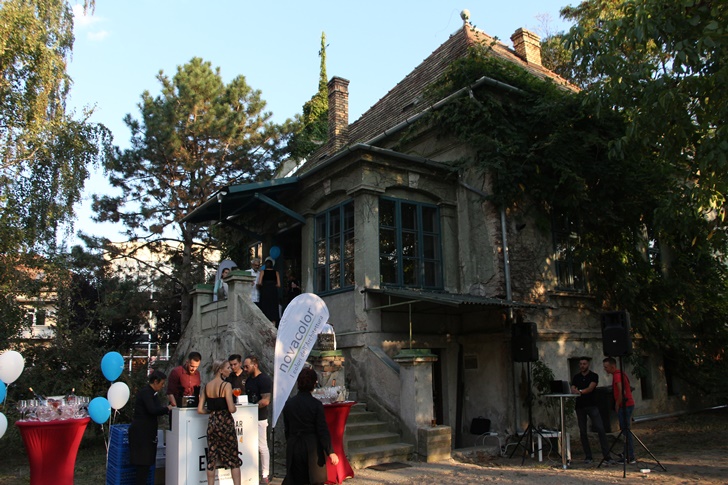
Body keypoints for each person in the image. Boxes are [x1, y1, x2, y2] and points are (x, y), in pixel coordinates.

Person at [282, 367, 339, 485]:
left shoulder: (289, 404)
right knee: (313, 479)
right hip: (312, 446)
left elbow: (287, 428)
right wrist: (330, 451)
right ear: (313, 384)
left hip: (294, 445)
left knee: (296, 480)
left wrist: (290, 442)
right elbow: (322, 430)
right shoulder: (316, 405)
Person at [197, 359, 242, 485]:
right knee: (233, 458)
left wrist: (211, 412)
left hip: (212, 422)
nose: (230, 370)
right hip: (225, 423)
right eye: (228, 368)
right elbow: (231, 409)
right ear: (220, 370)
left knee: (211, 458)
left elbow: (200, 410)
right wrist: (234, 407)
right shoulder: (226, 385)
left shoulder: (207, 386)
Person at [129, 370, 174, 485]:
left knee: (146, 463)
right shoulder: (146, 393)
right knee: (142, 463)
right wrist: (167, 409)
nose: (162, 386)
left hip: (148, 433)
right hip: (141, 433)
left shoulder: (152, 393)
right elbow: (152, 410)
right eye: (161, 383)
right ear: (155, 381)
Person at [571, 357, 612, 464]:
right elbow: (573, 387)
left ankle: (607, 456)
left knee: (600, 429)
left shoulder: (593, 376)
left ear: (588, 364)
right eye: (580, 364)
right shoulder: (576, 377)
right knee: (583, 431)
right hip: (580, 406)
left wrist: (580, 392)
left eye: (584, 364)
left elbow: (590, 388)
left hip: (592, 405)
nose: (582, 366)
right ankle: (588, 456)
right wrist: (574, 390)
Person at [243, 355, 273, 485]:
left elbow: (266, 400)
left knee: (262, 445)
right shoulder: (249, 380)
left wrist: (253, 407)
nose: (245, 369)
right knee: (249, 445)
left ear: (255, 365)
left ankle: (265, 474)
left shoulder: (264, 379)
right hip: (248, 417)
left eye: (247, 366)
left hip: (260, 417)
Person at [603, 356, 636, 464]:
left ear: (612, 366)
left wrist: (617, 404)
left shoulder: (617, 376)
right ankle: (626, 452)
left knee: (625, 430)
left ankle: (630, 456)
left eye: (606, 367)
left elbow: (622, 392)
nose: (605, 369)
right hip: (627, 404)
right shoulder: (620, 374)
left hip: (625, 405)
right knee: (625, 429)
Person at [257, 256, 281, 326]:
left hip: (265, 292)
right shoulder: (276, 272)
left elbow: (260, 282)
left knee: (265, 307)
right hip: (273, 292)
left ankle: (264, 324)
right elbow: (279, 285)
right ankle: (273, 325)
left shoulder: (262, 272)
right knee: (273, 308)